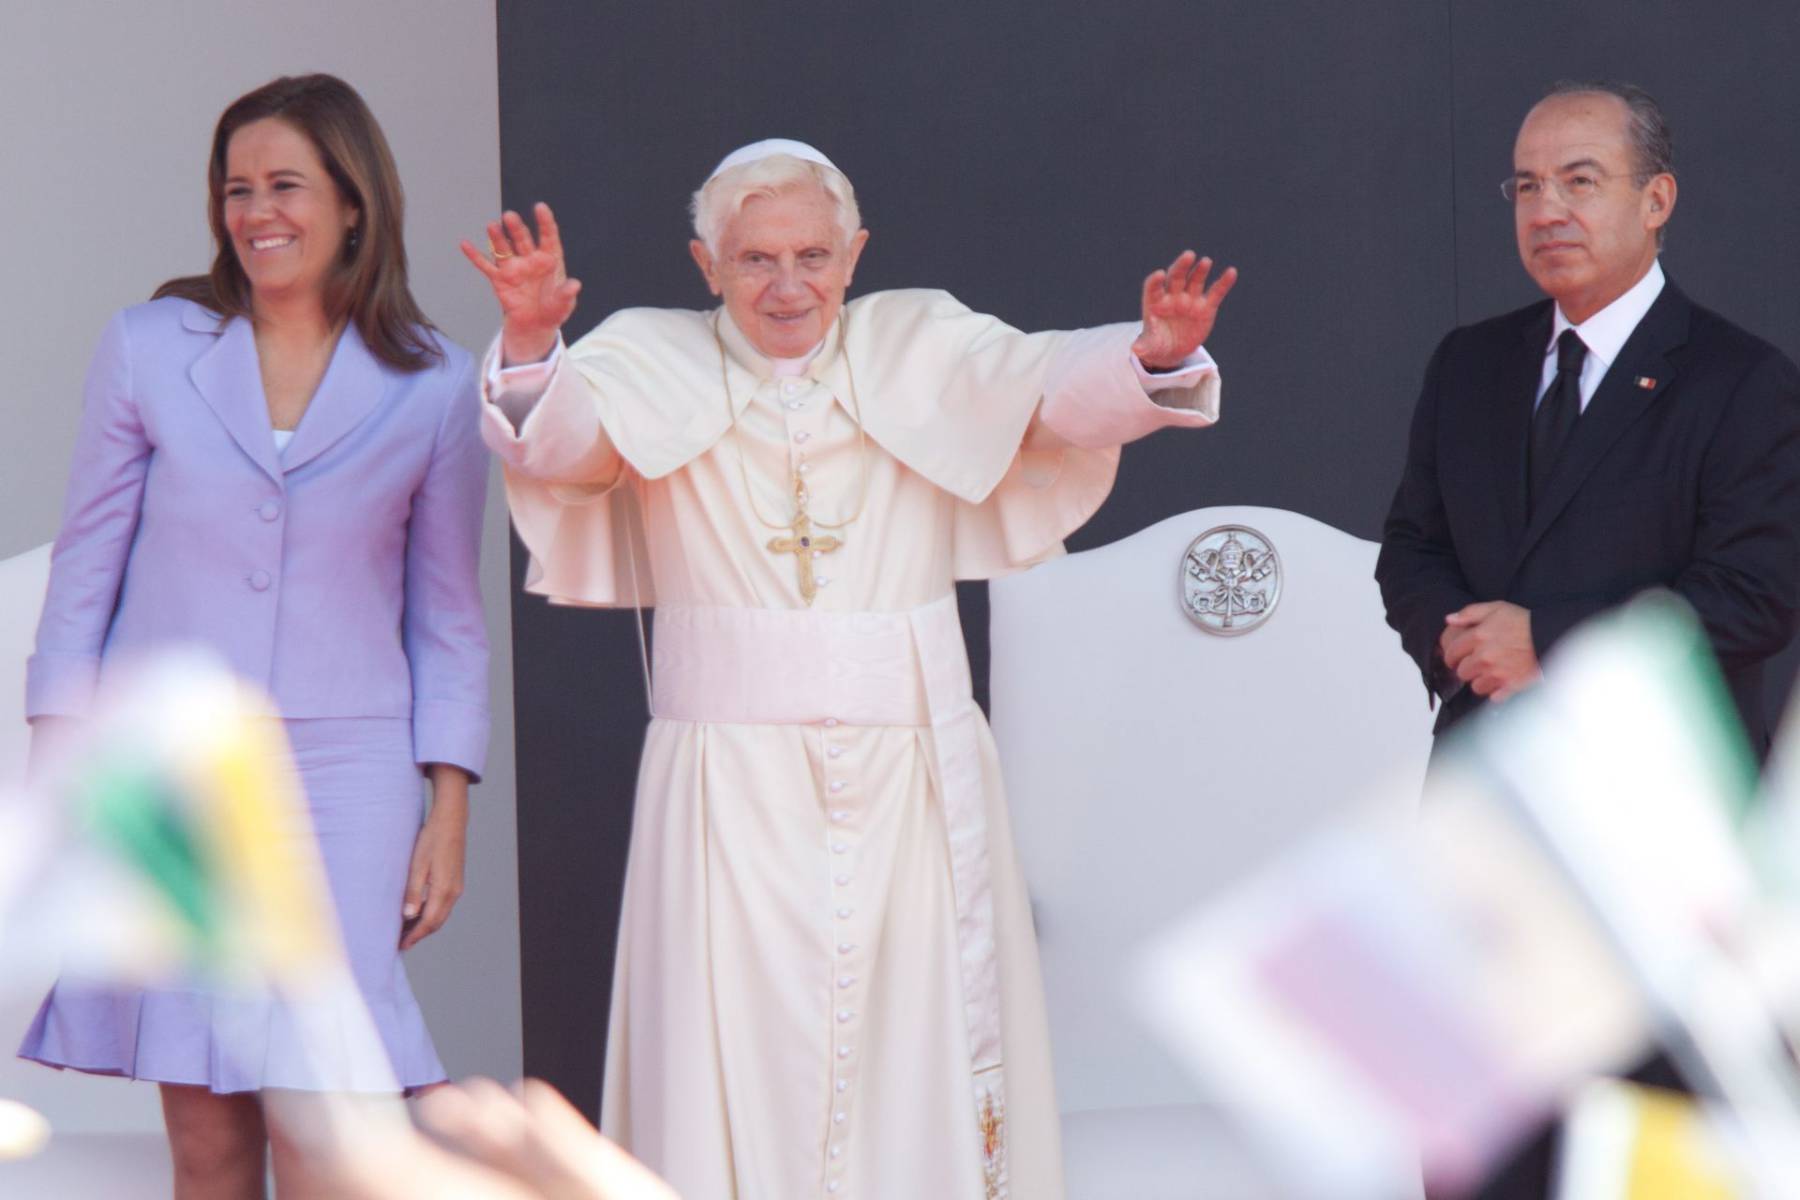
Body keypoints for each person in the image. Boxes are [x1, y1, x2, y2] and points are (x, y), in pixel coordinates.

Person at [463, 137, 1235, 1199]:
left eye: (813, 257)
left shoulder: (922, 345)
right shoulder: (649, 359)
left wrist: (1148, 355)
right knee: (728, 1057)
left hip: (908, 782)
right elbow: (564, 444)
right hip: (726, 789)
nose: (789, 286)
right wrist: (532, 341)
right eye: (756, 261)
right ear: (707, 266)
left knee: (907, 1048)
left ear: (855, 253)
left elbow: (1053, 392)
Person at [18, 74, 490, 1198]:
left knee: (333, 1120)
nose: (255, 212)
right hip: (173, 765)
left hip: (350, 772)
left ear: (353, 204)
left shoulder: (434, 384)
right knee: (214, 1127)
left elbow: (447, 613)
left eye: (285, 184)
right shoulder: (147, 347)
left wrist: (450, 808)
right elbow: (86, 565)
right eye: (237, 189)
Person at [1375, 81, 1800, 1195]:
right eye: (1525, 185)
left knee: (1648, 1146)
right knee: (1481, 1144)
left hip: (1659, 833)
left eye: (1580, 180)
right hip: (1488, 819)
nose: (1546, 208)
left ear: (1656, 198)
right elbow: (1409, 549)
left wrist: (1547, 642)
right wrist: (1464, 642)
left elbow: (1757, 597)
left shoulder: (1742, 381)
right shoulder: (1468, 365)